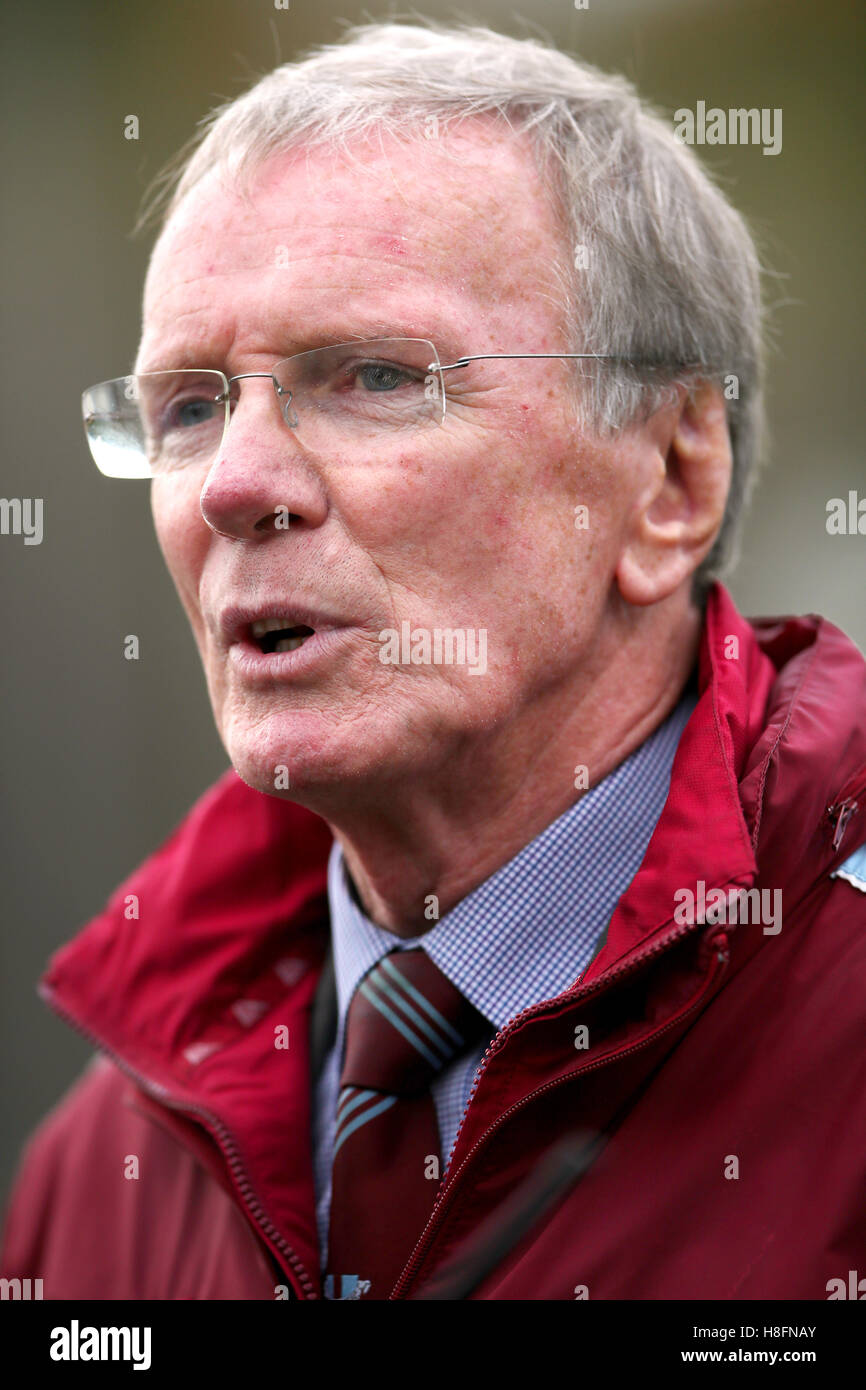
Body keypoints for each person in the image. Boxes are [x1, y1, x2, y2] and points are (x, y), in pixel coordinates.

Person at [2, 21, 864, 1302]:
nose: (234, 483)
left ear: (670, 479)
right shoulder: (111, 1160)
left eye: (372, 377)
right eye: (187, 406)